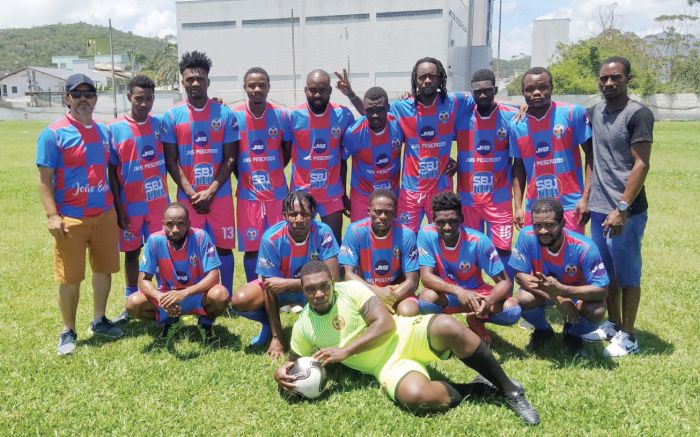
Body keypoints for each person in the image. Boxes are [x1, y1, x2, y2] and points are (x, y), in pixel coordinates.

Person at [274, 261, 540, 425]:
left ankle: (510, 390)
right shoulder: (304, 326)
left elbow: (386, 324)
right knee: (417, 397)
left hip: (403, 334)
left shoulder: (351, 290)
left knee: (447, 325)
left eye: (324, 286)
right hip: (386, 366)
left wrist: (346, 351)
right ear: (302, 289)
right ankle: (479, 389)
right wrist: (280, 372)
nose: (318, 293)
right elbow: (293, 361)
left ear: (332, 282)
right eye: (310, 289)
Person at [36, 73, 124, 355]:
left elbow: (111, 173)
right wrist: (52, 215)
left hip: (104, 214)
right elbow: (44, 179)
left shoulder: (103, 132)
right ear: (67, 98)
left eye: (89, 94)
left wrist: (116, 211)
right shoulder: (53, 134)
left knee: (103, 269)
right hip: (70, 218)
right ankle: (68, 330)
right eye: (77, 94)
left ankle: (99, 320)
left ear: (95, 99)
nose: (83, 99)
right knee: (70, 277)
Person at [586, 56, 654, 357]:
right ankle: (612, 325)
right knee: (606, 272)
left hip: (626, 212)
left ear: (628, 78)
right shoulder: (596, 111)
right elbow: (557, 111)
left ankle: (630, 335)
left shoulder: (638, 114)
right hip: (599, 208)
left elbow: (641, 164)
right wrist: (520, 107)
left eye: (615, 78)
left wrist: (622, 208)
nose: (609, 83)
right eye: (604, 78)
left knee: (628, 276)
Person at [161, 51, 239, 297]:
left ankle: (223, 295)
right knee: (187, 245)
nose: (195, 83)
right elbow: (171, 161)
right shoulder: (171, 116)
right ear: (182, 81)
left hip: (220, 196)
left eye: (200, 78)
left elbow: (230, 158)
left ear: (208, 81)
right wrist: (193, 193)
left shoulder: (225, 114)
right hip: (189, 198)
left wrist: (211, 191)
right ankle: (191, 293)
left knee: (224, 247)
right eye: (189, 79)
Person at [230, 191, 340, 358]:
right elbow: (269, 287)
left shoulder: (323, 232)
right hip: (279, 292)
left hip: (310, 292)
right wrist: (277, 338)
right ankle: (271, 327)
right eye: (293, 214)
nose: (299, 219)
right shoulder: (271, 239)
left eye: (305, 214)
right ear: (284, 216)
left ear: (313, 214)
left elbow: (333, 278)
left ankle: (320, 330)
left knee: (331, 293)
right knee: (239, 300)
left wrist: (289, 284)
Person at [416, 192, 519, 345]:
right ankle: (443, 331)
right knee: (426, 300)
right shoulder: (425, 234)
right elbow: (426, 277)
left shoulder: (479, 241)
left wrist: (488, 302)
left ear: (462, 219)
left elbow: (505, 282)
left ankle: (476, 319)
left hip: (476, 295)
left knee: (512, 311)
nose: (447, 227)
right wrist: (459, 291)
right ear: (433, 220)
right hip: (449, 295)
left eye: (452, 221)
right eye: (440, 222)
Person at [108, 75, 170, 324]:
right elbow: (112, 171)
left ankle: (165, 299)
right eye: (138, 98)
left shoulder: (161, 125)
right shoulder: (114, 129)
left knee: (162, 252)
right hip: (130, 206)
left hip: (159, 205)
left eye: (148, 98)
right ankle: (130, 300)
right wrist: (118, 207)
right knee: (132, 254)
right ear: (129, 98)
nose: (144, 103)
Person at [509, 198, 609, 353]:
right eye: (537, 225)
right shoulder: (526, 236)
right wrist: (558, 298)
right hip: (548, 292)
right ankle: (543, 330)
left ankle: (573, 333)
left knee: (597, 310)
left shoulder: (585, 248)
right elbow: (520, 275)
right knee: (525, 298)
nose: (542, 231)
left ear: (563, 223)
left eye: (549, 225)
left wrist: (564, 291)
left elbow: (602, 290)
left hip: (577, 294)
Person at [390, 57, 473, 232]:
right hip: (411, 190)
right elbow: (373, 113)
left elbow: (485, 101)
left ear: (440, 78)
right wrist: (351, 95)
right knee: (405, 238)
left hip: (441, 188)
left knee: (444, 236)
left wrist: (524, 107)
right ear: (415, 80)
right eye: (422, 77)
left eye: (432, 76)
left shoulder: (454, 102)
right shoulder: (401, 107)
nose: (427, 80)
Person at [126, 202, 229, 338]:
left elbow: (214, 276)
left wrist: (184, 293)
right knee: (133, 304)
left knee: (220, 295)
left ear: (188, 223)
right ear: (163, 224)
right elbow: (143, 279)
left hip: (197, 294)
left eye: (180, 223)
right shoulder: (154, 240)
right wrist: (161, 298)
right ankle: (169, 321)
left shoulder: (201, 237)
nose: (175, 229)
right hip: (167, 296)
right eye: (169, 224)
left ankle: (205, 323)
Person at [509, 66, 592, 234]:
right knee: (538, 258)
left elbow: (591, 156)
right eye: (530, 89)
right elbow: (518, 167)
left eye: (543, 87)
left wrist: (586, 198)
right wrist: (518, 207)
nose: (537, 92)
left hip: (570, 205)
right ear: (523, 92)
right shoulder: (516, 125)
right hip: (535, 208)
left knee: (570, 257)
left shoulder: (571, 113)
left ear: (552, 88)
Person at [232, 67, 291, 282]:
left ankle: (281, 288)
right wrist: (247, 178)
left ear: (268, 87)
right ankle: (252, 289)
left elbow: (286, 150)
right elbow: (231, 155)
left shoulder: (281, 115)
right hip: (249, 196)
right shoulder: (234, 116)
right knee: (252, 246)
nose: (257, 89)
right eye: (252, 85)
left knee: (281, 243)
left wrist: (272, 172)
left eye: (262, 85)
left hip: (277, 194)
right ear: (245, 88)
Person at [457, 69, 519, 277]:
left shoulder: (511, 116)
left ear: (495, 89)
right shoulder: (461, 116)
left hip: (499, 200)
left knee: (502, 251)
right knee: (469, 250)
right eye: (477, 91)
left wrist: (526, 109)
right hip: (468, 200)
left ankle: (504, 301)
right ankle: (473, 294)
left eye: (487, 90)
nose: (482, 95)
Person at [284, 69, 355, 243]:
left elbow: (344, 158)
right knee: (301, 242)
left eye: (322, 89)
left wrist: (343, 194)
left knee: (333, 243)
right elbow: (282, 153)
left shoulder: (344, 115)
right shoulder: (291, 115)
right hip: (301, 195)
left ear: (330, 90)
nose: (317, 94)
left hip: (331, 194)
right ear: (305, 90)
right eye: (313, 89)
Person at [339, 189, 420, 316]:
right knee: (348, 314)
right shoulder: (354, 232)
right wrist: (377, 293)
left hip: (396, 291)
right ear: (369, 211)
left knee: (409, 311)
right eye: (378, 212)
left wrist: (388, 298)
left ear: (395, 213)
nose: (382, 216)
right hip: (364, 289)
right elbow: (348, 275)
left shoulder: (407, 235)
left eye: (388, 212)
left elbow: (413, 281)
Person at [341, 87, 404, 223]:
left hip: (392, 195)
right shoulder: (353, 133)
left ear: (388, 107)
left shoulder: (399, 124)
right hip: (362, 196)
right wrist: (342, 195)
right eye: (370, 111)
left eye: (380, 110)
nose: (375, 115)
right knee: (361, 235)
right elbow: (341, 160)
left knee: (392, 238)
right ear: (364, 110)